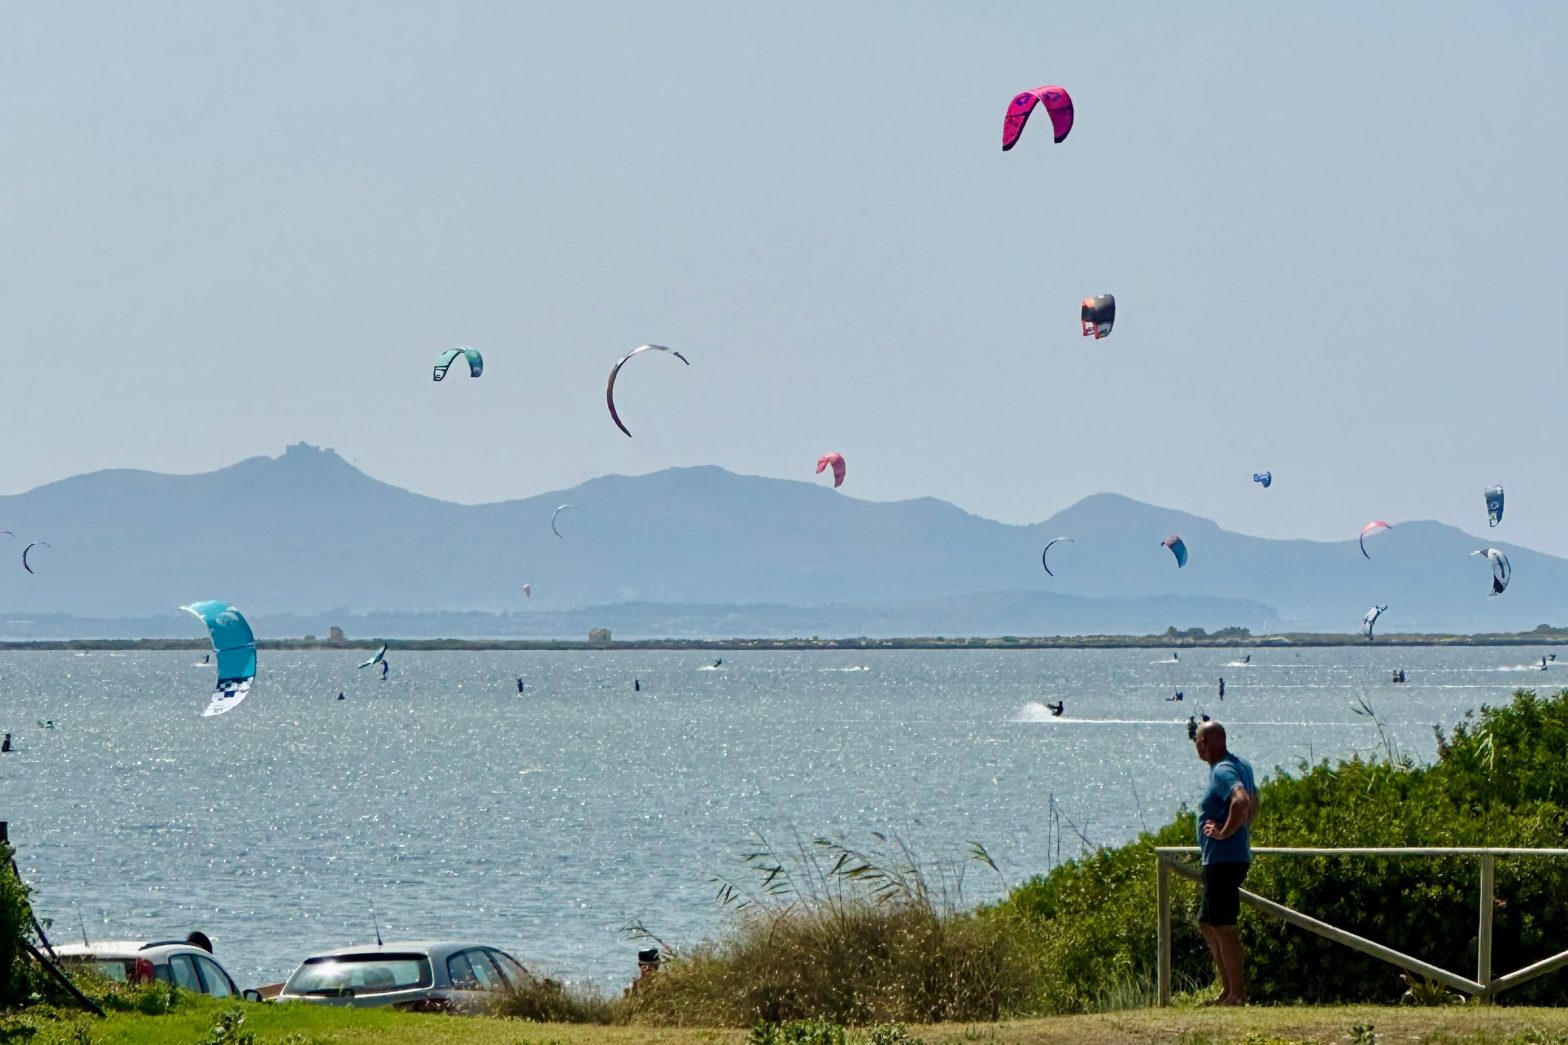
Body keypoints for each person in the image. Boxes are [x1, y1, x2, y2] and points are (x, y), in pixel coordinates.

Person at [1193, 720, 1258, 1006]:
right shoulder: (1241, 764)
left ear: (1206, 743)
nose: (1195, 745)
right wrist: (1243, 829)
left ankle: (1237, 994)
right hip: (1228, 856)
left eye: (1197, 739)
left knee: (1224, 925)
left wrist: (1225, 832)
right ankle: (1228, 989)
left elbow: (1242, 800)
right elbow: (1255, 802)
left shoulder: (1222, 770)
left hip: (1224, 859)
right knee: (1208, 922)